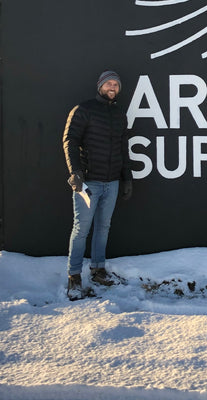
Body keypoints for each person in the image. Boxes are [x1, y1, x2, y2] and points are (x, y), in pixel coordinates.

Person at [63, 70, 133, 300]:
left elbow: (123, 149)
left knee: (103, 227)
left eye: (116, 84)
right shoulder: (84, 110)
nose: (112, 87)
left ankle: (98, 269)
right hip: (88, 183)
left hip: (111, 182)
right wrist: (75, 172)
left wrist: (127, 177)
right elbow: (70, 141)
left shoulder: (120, 115)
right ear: (100, 86)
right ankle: (74, 277)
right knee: (81, 229)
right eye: (108, 83)